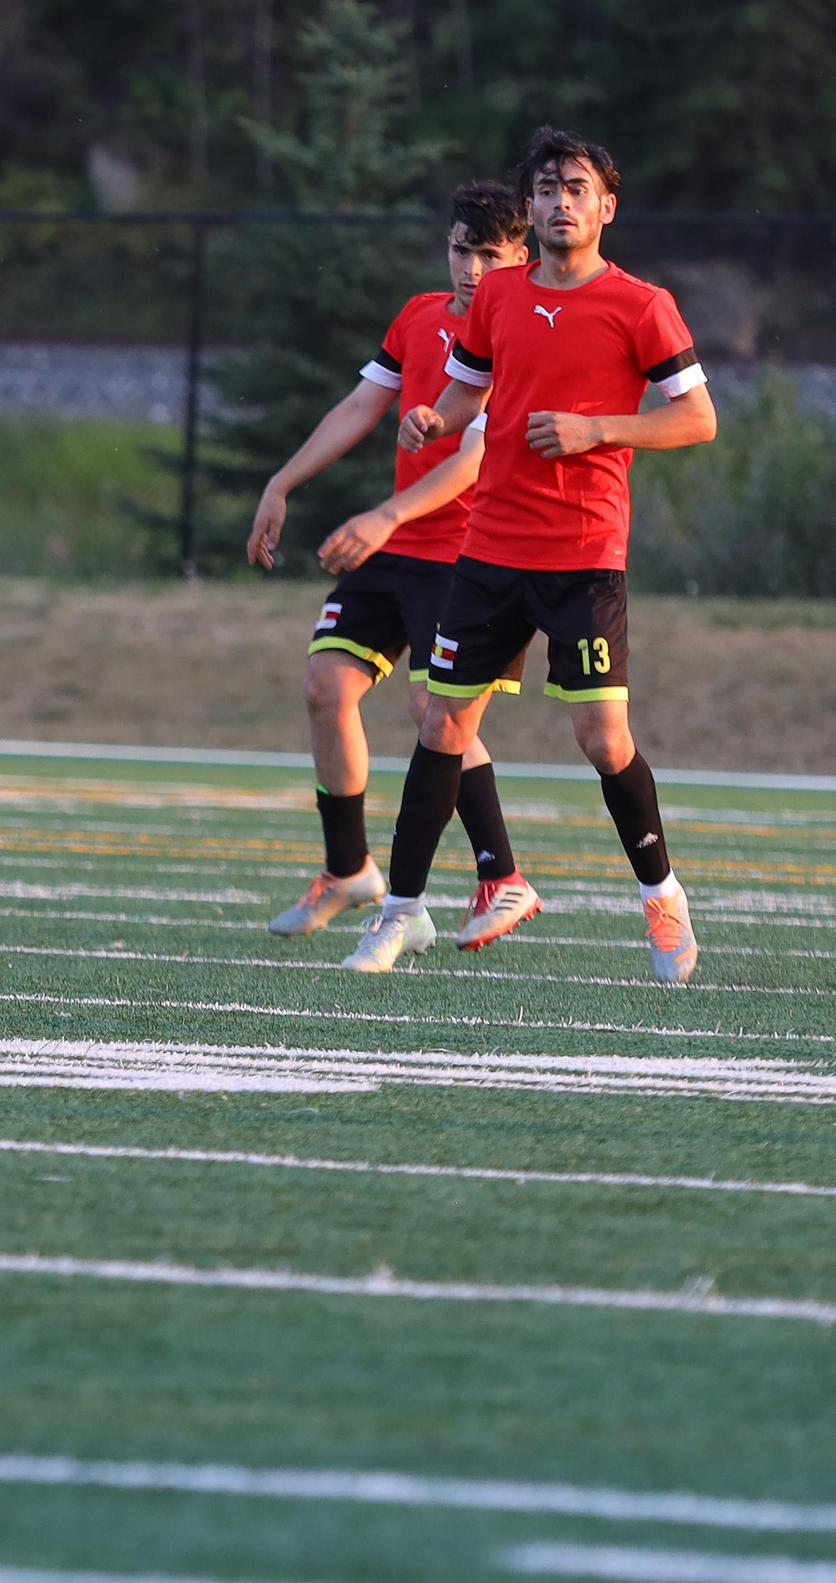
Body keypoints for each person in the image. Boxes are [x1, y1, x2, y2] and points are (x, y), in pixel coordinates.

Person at [344, 126, 716, 981]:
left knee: (602, 737)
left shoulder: (641, 304)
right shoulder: (501, 295)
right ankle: (400, 914)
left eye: (575, 189)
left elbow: (698, 418)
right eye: (546, 189)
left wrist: (599, 429)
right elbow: (469, 383)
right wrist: (434, 414)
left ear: (606, 207)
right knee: (441, 722)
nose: (559, 203)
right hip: (489, 549)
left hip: (584, 554)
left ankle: (662, 897)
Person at [249, 183, 540, 949]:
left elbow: (476, 458)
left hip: (471, 555)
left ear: (520, 257)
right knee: (325, 686)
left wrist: (384, 515)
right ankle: (348, 870)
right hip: (399, 549)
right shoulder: (418, 317)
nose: (472, 268)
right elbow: (358, 406)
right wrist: (281, 483)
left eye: (490, 254)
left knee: (430, 711)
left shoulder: (522, 333)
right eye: (461, 249)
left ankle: (500, 876)